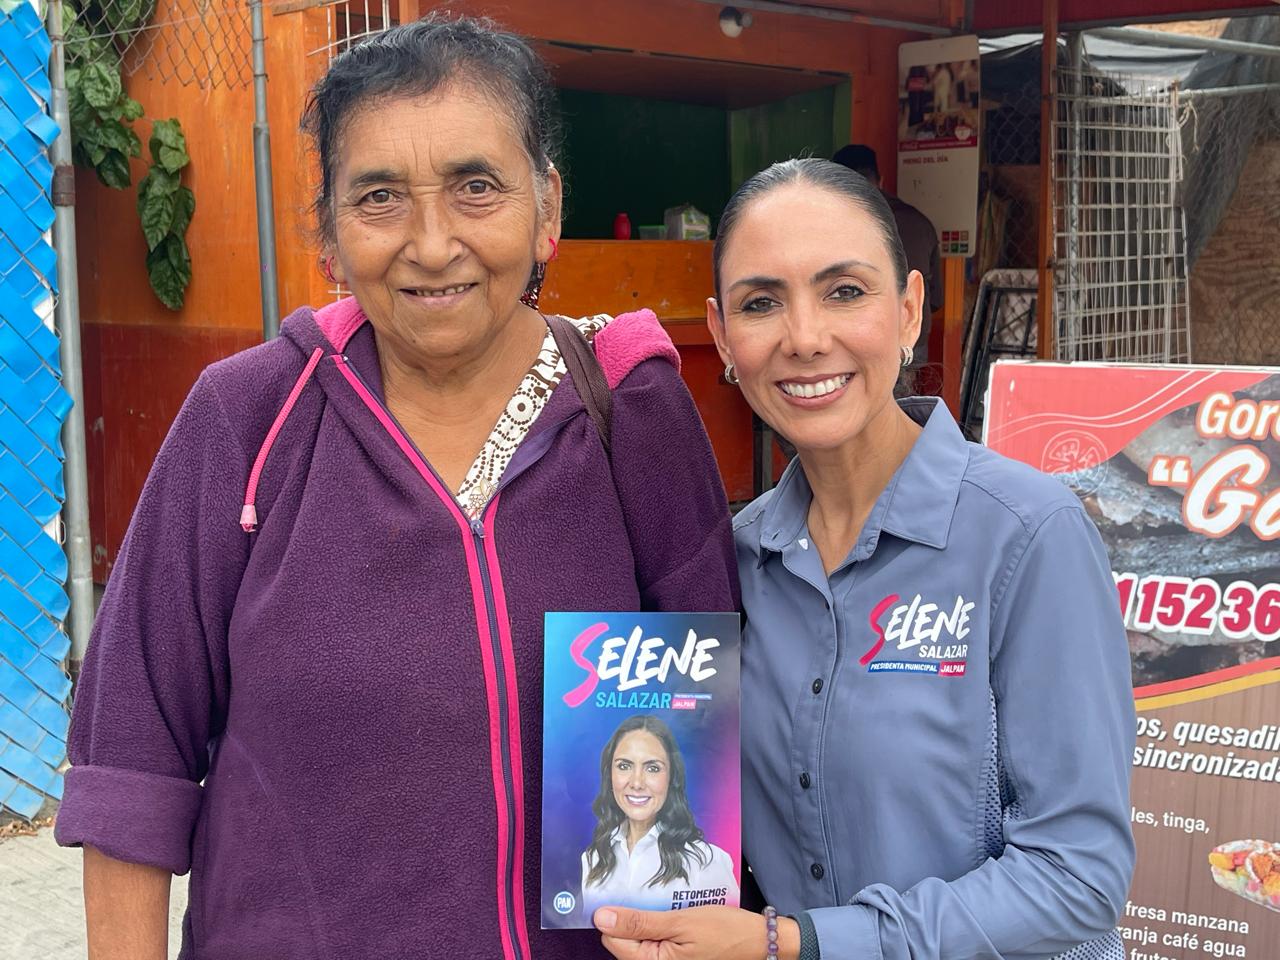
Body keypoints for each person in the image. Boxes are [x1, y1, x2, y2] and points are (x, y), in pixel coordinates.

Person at [54, 16, 737, 960]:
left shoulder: (631, 412)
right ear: (330, 234)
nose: (432, 242)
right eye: (379, 197)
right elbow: (132, 762)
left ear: (547, 207)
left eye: (476, 187)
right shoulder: (248, 420)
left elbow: (706, 738)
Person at [594, 159, 1135, 960]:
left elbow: (1079, 876)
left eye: (845, 291)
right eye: (761, 303)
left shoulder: (1026, 536)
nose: (806, 338)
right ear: (723, 337)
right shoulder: (735, 564)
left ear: (909, 309)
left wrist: (797, 943)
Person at [581, 716, 739, 917]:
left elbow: (728, 932)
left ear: (671, 777)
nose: (636, 783)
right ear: (609, 774)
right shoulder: (593, 858)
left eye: (653, 768)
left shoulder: (707, 861)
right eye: (624, 766)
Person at [832, 144, 942, 385]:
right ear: (880, 179)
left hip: (852, 347)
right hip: (911, 343)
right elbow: (935, 300)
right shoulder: (918, 222)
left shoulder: (831, 223)